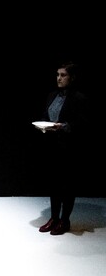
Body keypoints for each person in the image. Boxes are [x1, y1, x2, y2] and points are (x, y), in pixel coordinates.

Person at [37, 61, 88, 236]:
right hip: (53, 147)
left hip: (69, 149)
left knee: (67, 186)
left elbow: (83, 123)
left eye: (63, 75)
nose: (59, 78)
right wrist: (44, 126)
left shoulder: (79, 98)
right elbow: (46, 116)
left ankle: (64, 220)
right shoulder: (52, 95)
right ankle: (53, 218)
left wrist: (64, 126)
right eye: (57, 75)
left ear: (72, 78)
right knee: (54, 184)